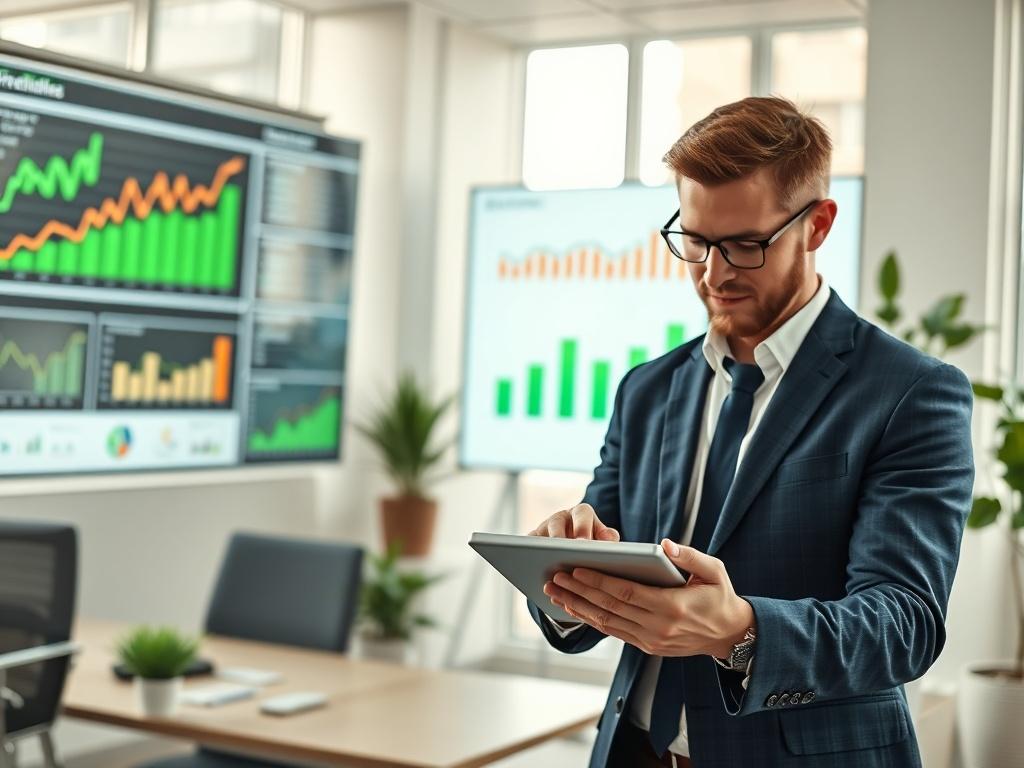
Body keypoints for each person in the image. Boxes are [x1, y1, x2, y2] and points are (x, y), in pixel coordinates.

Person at [526, 96, 975, 768]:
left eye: (744, 245)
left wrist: (740, 631)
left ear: (817, 225)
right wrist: (564, 581)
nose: (713, 274)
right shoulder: (647, 389)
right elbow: (605, 558)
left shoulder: (910, 391)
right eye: (697, 241)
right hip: (635, 753)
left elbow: (903, 624)